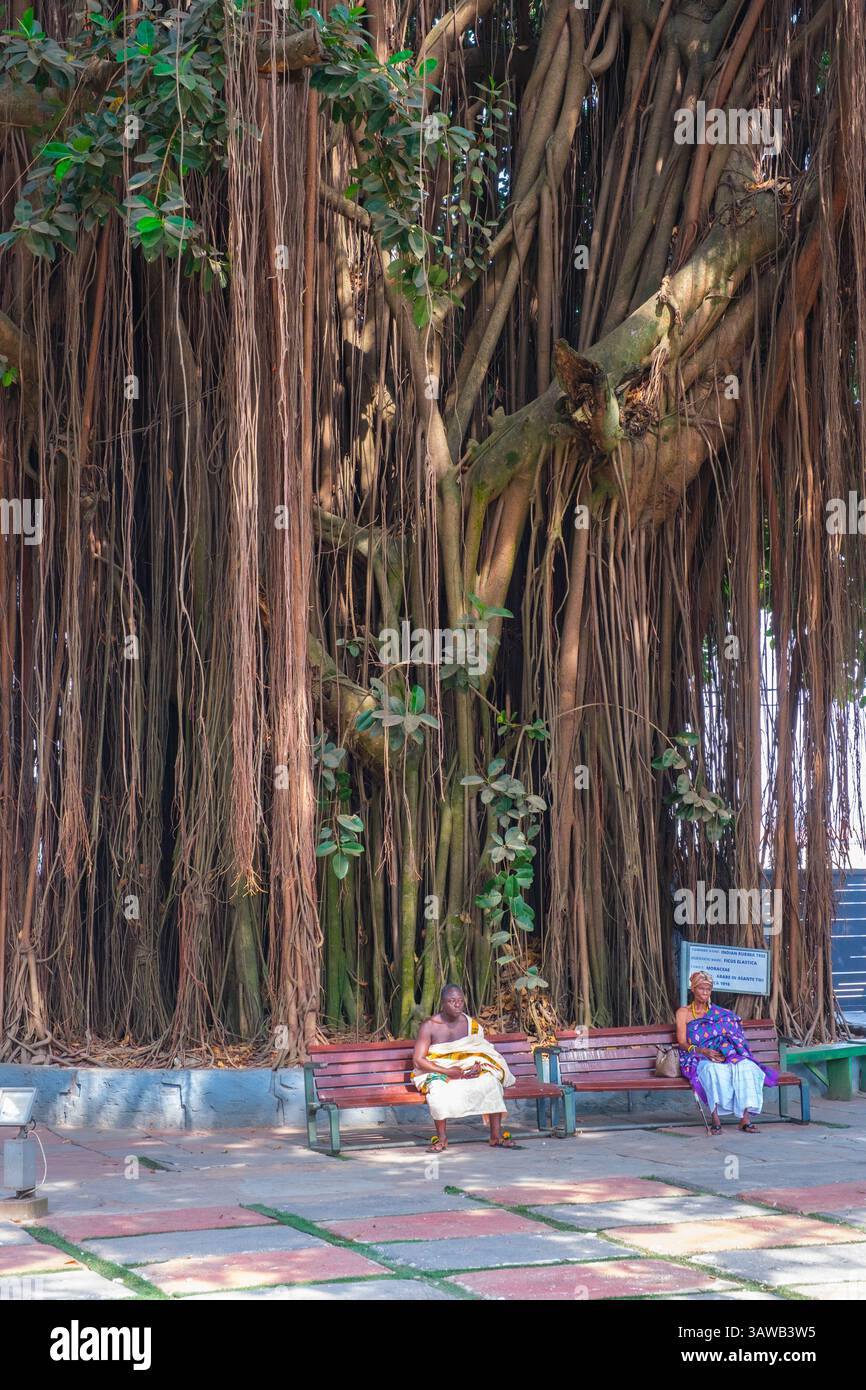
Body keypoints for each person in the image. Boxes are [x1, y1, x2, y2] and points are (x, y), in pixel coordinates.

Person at [412, 984, 518, 1151]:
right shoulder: (429, 1026)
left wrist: (477, 1065)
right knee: (438, 1089)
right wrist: (447, 1071)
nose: (457, 1004)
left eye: (460, 1001)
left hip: (465, 1071)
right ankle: (441, 1139)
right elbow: (418, 1060)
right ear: (442, 1003)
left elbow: (480, 1051)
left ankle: (496, 1136)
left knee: (491, 1081)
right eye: (452, 1001)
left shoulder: (471, 1025)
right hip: (440, 1070)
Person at [676, 970, 778, 1134]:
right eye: (701, 988)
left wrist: (727, 1050)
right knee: (712, 1071)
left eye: (708, 989)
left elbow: (733, 1033)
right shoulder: (684, 1013)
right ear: (693, 989)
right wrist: (703, 1051)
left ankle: (744, 1119)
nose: (705, 992)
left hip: (726, 1053)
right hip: (698, 1055)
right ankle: (715, 1119)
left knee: (747, 1068)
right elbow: (681, 1042)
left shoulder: (720, 1013)